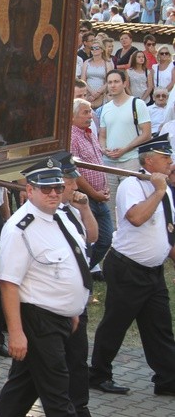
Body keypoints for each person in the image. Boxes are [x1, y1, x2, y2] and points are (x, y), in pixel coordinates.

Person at [0, 157, 92, 417]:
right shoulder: (19, 229)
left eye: (58, 188)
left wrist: (72, 308)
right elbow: (9, 283)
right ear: (29, 190)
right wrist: (15, 333)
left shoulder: (61, 216)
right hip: (40, 321)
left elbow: (72, 264)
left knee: (22, 388)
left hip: (62, 318)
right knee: (58, 395)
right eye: (45, 188)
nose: (53, 193)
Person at [89, 134, 175, 397]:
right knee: (116, 324)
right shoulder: (133, 185)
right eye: (165, 157)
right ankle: (98, 374)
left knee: (160, 326)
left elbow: (169, 231)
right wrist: (159, 191)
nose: (170, 162)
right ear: (148, 160)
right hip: (128, 268)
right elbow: (137, 218)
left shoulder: (167, 189)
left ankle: (168, 379)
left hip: (153, 271)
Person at [55, 151, 98, 417]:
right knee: (53, 363)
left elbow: (92, 236)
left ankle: (79, 405)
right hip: (55, 305)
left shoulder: (72, 210)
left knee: (78, 357)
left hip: (77, 301)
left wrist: (84, 208)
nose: (75, 186)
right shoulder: (48, 216)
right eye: (70, 181)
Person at [99, 69, 151, 223]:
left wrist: (125, 149)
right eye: (109, 82)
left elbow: (146, 133)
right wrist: (104, 149)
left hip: (130, 162)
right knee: (109, 206)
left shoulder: (137, 104)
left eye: (116, 81)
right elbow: (102, 135)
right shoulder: (106, 108)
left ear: (124, 83)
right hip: (108, 164)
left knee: (130, 205)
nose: (113, 85)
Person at [70, 99, 113, 274]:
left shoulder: (89, 133)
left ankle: (83, 271)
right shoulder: (72, 137)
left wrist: (105, 187)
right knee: (85, 240)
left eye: (90, 112)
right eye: (85, 112)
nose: (90, 115)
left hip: (99, 197)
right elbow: (75, 173)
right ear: (72, 116)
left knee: (105, 239)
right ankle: (79, 273)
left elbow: (97, 163)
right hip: (84, 198)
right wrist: (94, 194)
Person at [81, 42, 114, 108]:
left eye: (97, 48)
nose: (94, 50)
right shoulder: (86, 62)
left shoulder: (107, 63)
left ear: (102, 50)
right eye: (92, 48)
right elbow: (83, 80)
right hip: (88, 93)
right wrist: (91, 92)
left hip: (102, 93)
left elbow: (109, 80)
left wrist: (98, 93)